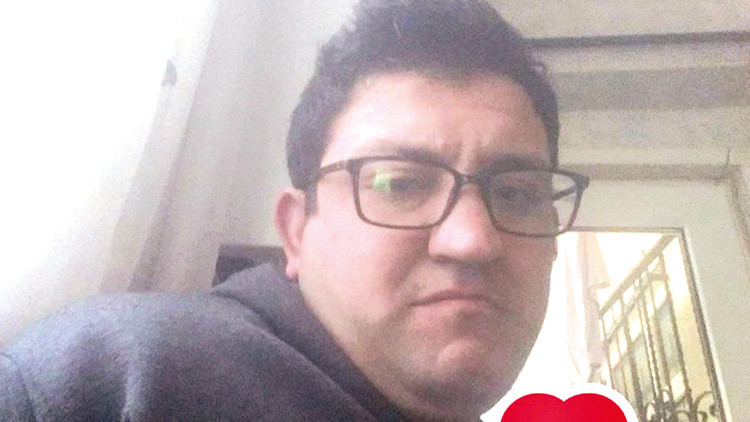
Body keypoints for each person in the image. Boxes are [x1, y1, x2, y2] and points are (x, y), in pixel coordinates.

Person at [0, 0, 589, 420]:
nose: (472, 240)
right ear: (296, 231)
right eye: (399, 183)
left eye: (518, 194)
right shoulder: (111, 378)